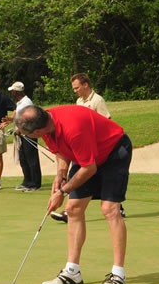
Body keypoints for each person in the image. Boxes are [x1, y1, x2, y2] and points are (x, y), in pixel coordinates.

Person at [15, 104, 132, 284]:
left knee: (110, 209)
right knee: (74, 208)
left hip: (113, 151)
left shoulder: (72, 128)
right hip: (87, 154)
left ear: (38, 130)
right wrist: (60, 175)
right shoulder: (45, 123)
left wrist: (62, 191)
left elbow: (89, 168)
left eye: (28, 134)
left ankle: (118, 275)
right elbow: (61, 151)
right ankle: (72, 272)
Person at [51, 73, 125, 221]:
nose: (75, 91)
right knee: (75, 176)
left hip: (95, 146)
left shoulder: (97, 100)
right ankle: (68, 211)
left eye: (77, 87)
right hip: (80, 145)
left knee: (97, 178)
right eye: (73, 88)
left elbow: (107, 123)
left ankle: (118, 207)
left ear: (85, 85)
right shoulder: (79, 101)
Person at [6, 81, 40, 192]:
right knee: (23, 158)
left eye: (12, 91)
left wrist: (20, 130)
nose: (11, 93)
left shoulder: (26, 102)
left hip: (29, 134)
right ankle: (27, 181)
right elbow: (19, 118)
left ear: (16, 92)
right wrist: (13, 124)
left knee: (32, 159)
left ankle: (35, 183)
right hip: (22, 134)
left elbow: (28, 119)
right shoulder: (20, 102)